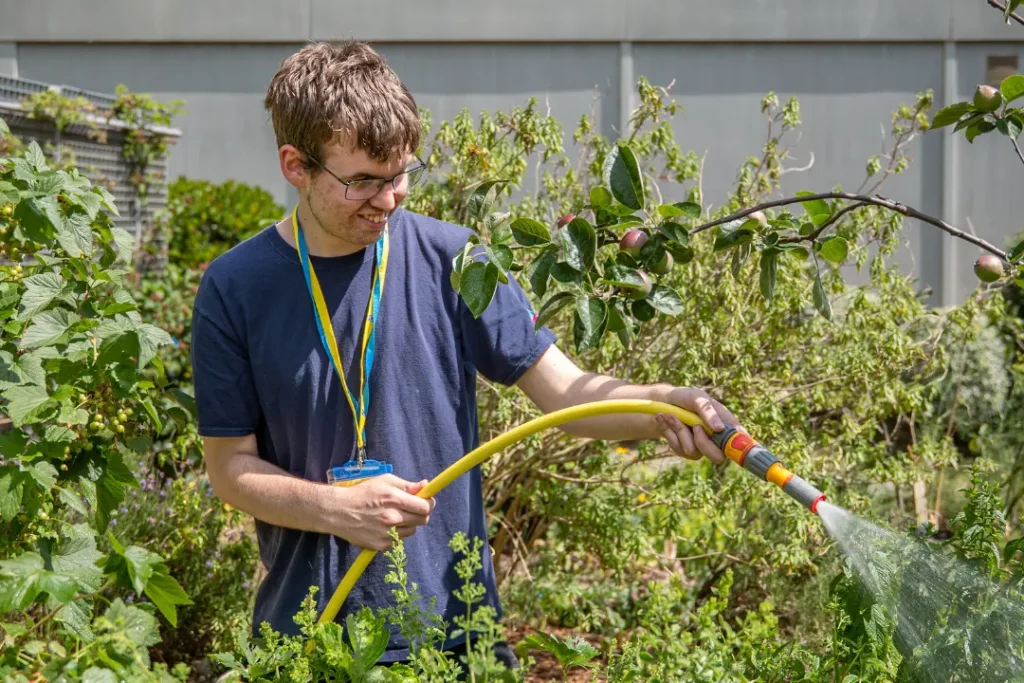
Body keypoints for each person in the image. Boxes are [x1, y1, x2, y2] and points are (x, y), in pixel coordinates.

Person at [190, 40, 743, 674]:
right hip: (308, 641)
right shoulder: (235, 288)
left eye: (399, 174)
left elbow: (565, 395)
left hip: (457, 634)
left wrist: (665, 404)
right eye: (362, 182)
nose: (390, 200)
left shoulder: (454, 258)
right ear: (296, 164)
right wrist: (334, 509)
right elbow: (230, 469)